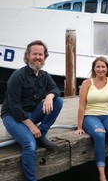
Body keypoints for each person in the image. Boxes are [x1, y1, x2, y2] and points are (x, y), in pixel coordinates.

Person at [1, 40, 63, 181]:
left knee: (57, 101)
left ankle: (42, 135)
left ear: (44, 57)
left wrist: (49, 96)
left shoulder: (44, 75)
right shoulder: (17, 76)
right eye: (34, 54)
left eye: (41, 54)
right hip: (12, 117)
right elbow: (15, 107)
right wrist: (32, 126)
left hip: (31, 114)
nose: (38, 57)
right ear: (28, 56)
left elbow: (54, 89)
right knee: (29, 145)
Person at [75, 56, 108, 181]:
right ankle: (102, 175)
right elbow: (82, 106)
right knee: (100, 135)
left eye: (103, 66)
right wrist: (79, 126)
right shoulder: (87, 83)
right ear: (94, 69)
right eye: (98, 66)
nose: (100, 69)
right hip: (90, 117)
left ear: (107, 68)